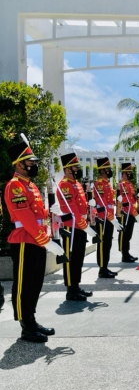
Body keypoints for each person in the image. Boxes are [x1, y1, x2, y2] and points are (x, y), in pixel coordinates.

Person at [4, 140, 65, 342]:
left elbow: (36, 214)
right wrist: (46, 241)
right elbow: (25, 217)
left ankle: (31, 319)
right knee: (23, 284)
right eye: (30, 161)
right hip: (24, 241)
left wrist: (50, 212)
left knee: (35, 283)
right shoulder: (15, 186)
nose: (33, 164)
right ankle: (25, 326)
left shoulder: (30, 185)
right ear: (19, 163)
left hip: (36, 240)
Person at [53, 153, 98, 301]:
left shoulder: (76, 183)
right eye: (75, 167)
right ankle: (70, 290)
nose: (78, 169)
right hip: (70, 228)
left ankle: (76, 286)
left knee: (78, 259)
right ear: (67, 169)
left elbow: (81, 206)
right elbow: (71, 208)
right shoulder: (64, 185)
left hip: (80, 227)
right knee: (70, 259)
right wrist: (85, 226)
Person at [93, 157, 123, 278]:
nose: (110, 170)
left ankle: (105, 266)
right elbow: (103, 204)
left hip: (109, 218)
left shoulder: (107, 184)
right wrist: (112, 218)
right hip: (103, 219)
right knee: (103, 244)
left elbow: (109, 202)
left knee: (108, 243)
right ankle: (102, 268)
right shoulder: (99, 184)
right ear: (102, 170)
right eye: (107, 168)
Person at [117, 162, 139, 263]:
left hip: (131, 211)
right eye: (128, 172)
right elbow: (122, 199)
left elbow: (131, 197)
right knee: (124, 234)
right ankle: (124, 254)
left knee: (129, 233)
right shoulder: (121, 184)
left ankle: (127, 252)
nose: (130, 174)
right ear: (124, 173)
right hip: (125, 212)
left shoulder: (129, 184)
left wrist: (137, 198)